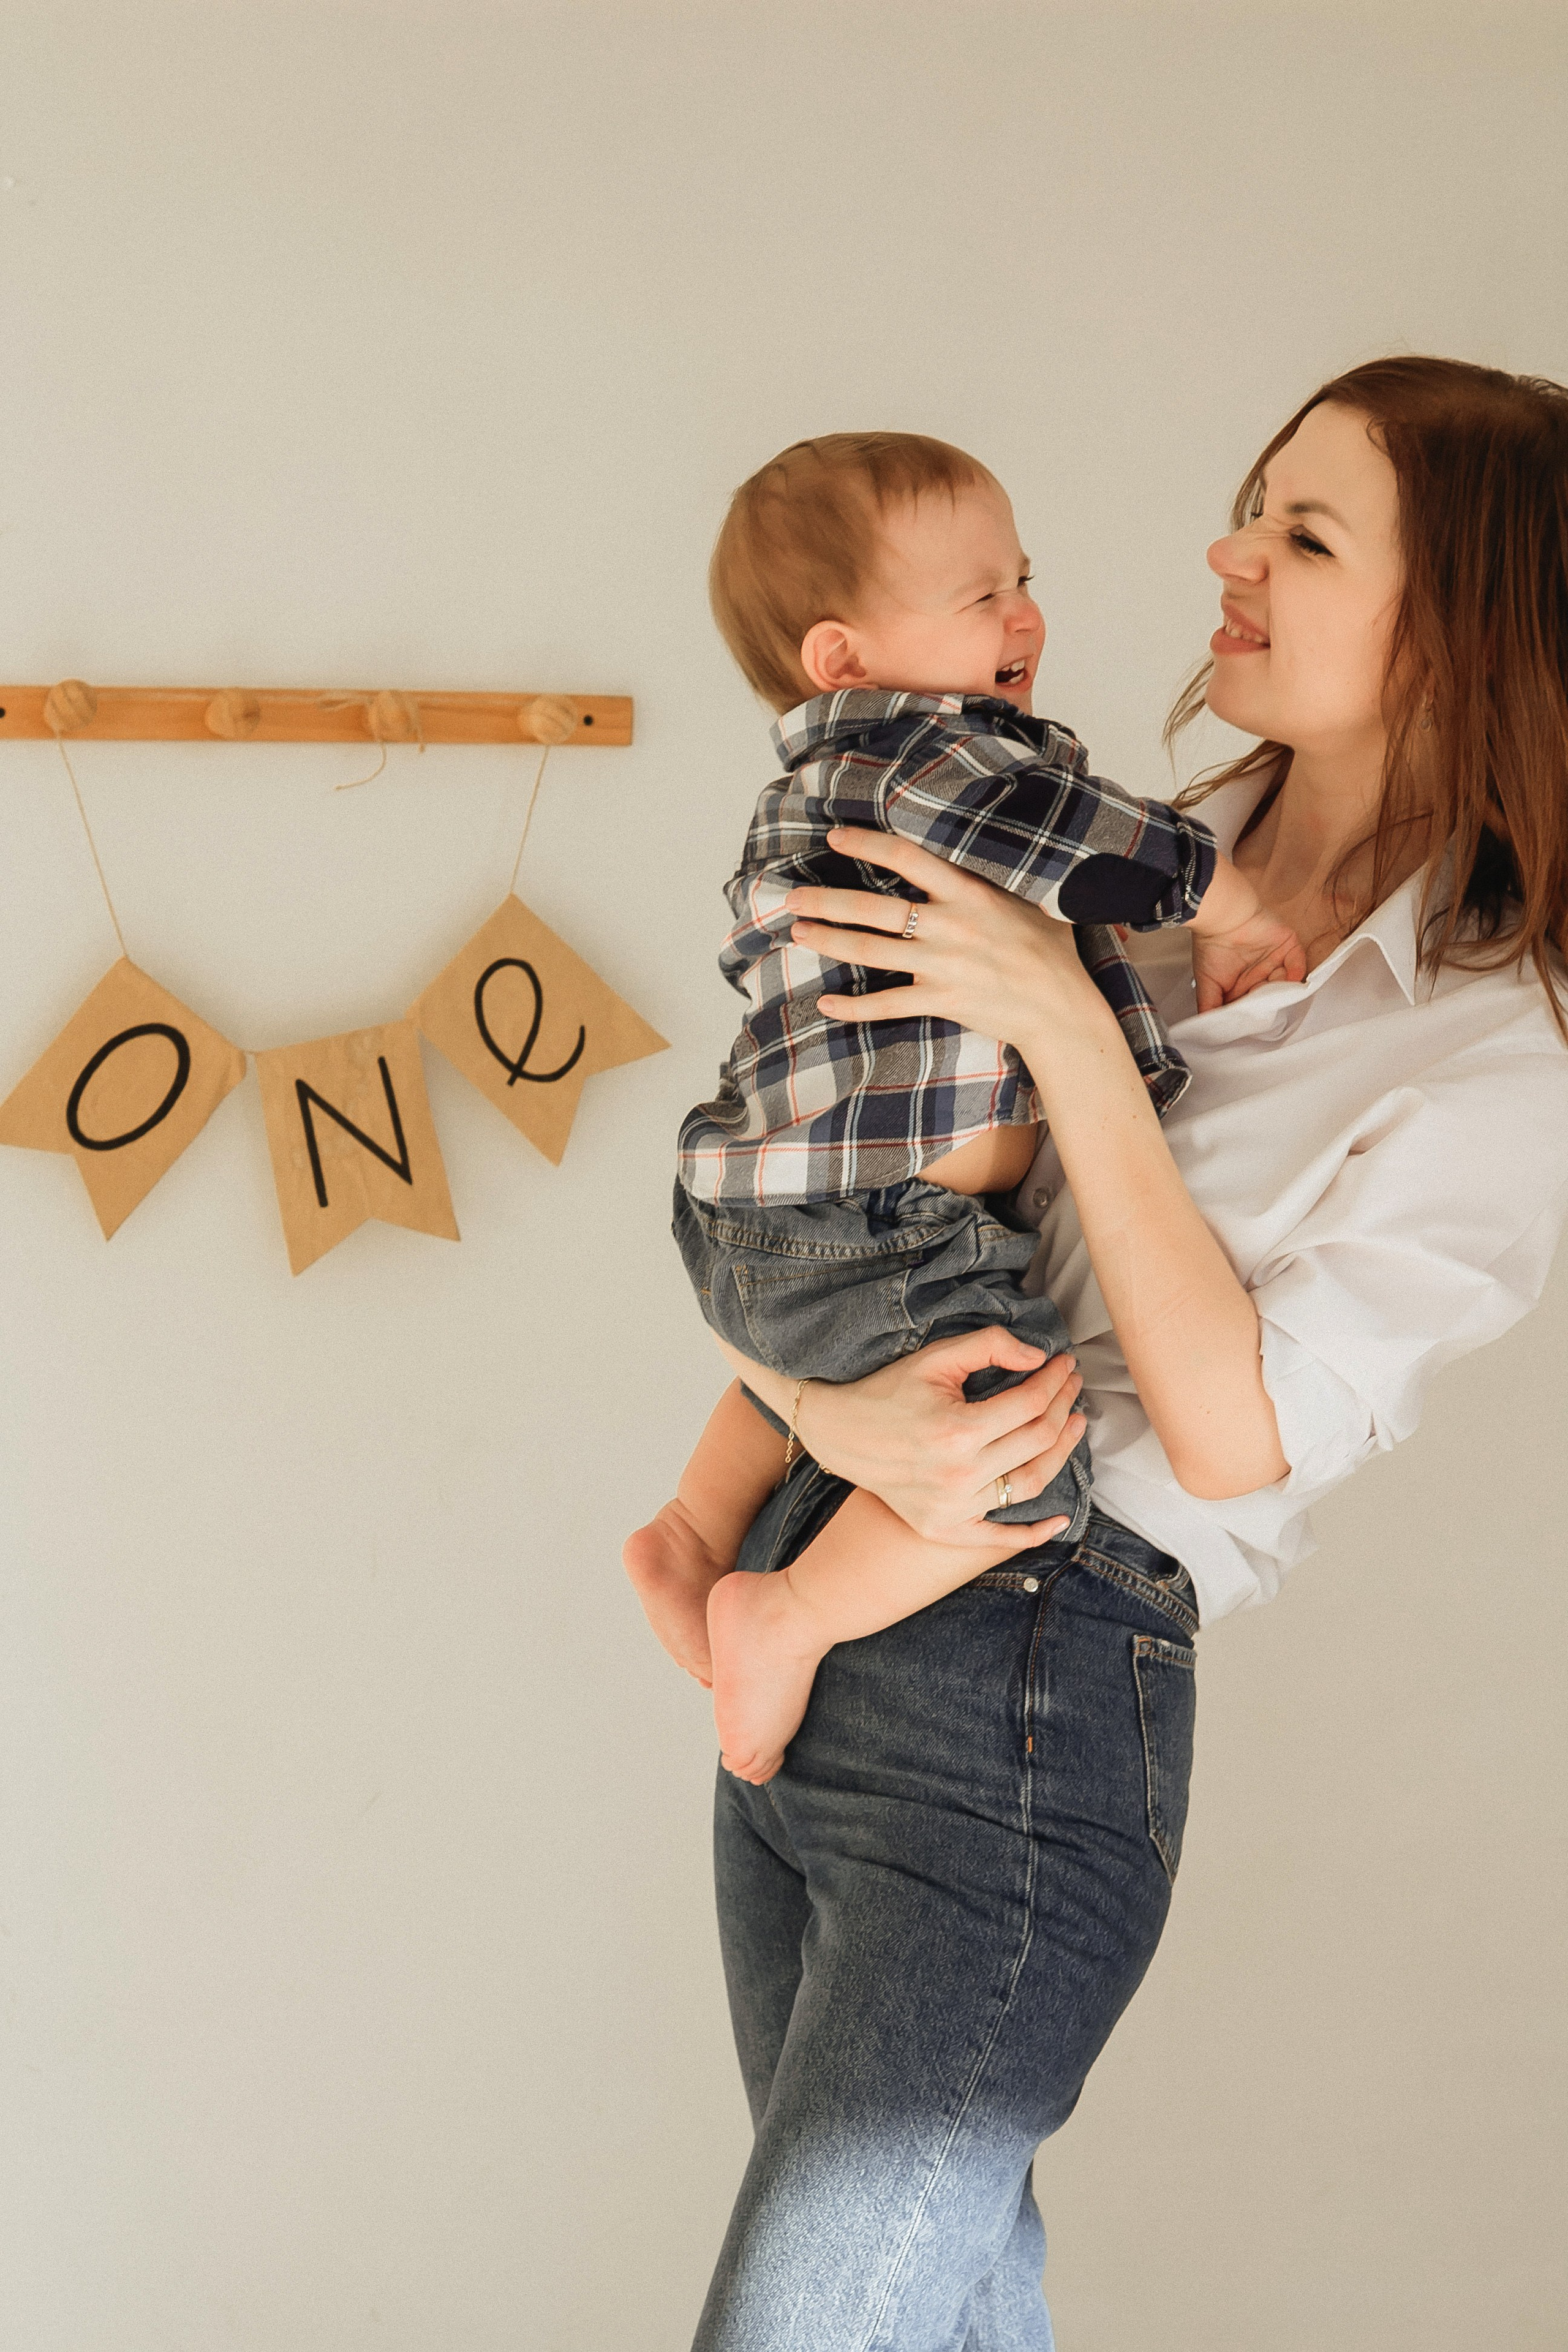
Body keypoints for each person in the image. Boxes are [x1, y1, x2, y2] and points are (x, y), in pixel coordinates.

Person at [681, 358, 1568, 2351]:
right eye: (1253, 507)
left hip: (1031, 1669)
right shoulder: (1101, 847)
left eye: (1305, 535)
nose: (1223, 553)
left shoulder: (1496, 1056)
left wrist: (1072, 1029)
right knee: (945, 2316)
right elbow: (859, 1187)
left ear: (1470, 625)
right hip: (822, 1579)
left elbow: (1241, 1440)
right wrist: (806, 1426)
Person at [624, 432, 1302, 1783]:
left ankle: (692, 1535)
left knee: (828, 1363)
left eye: (1022, 578)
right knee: (1017, 1478)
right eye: (979, 594)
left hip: (787, 1214)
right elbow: (1096, 848)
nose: (1023, 615)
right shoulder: (924, 768)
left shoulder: (856, 778)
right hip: (878, 1221)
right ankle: (786, 1610)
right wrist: (1238, 906)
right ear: (844, 659)